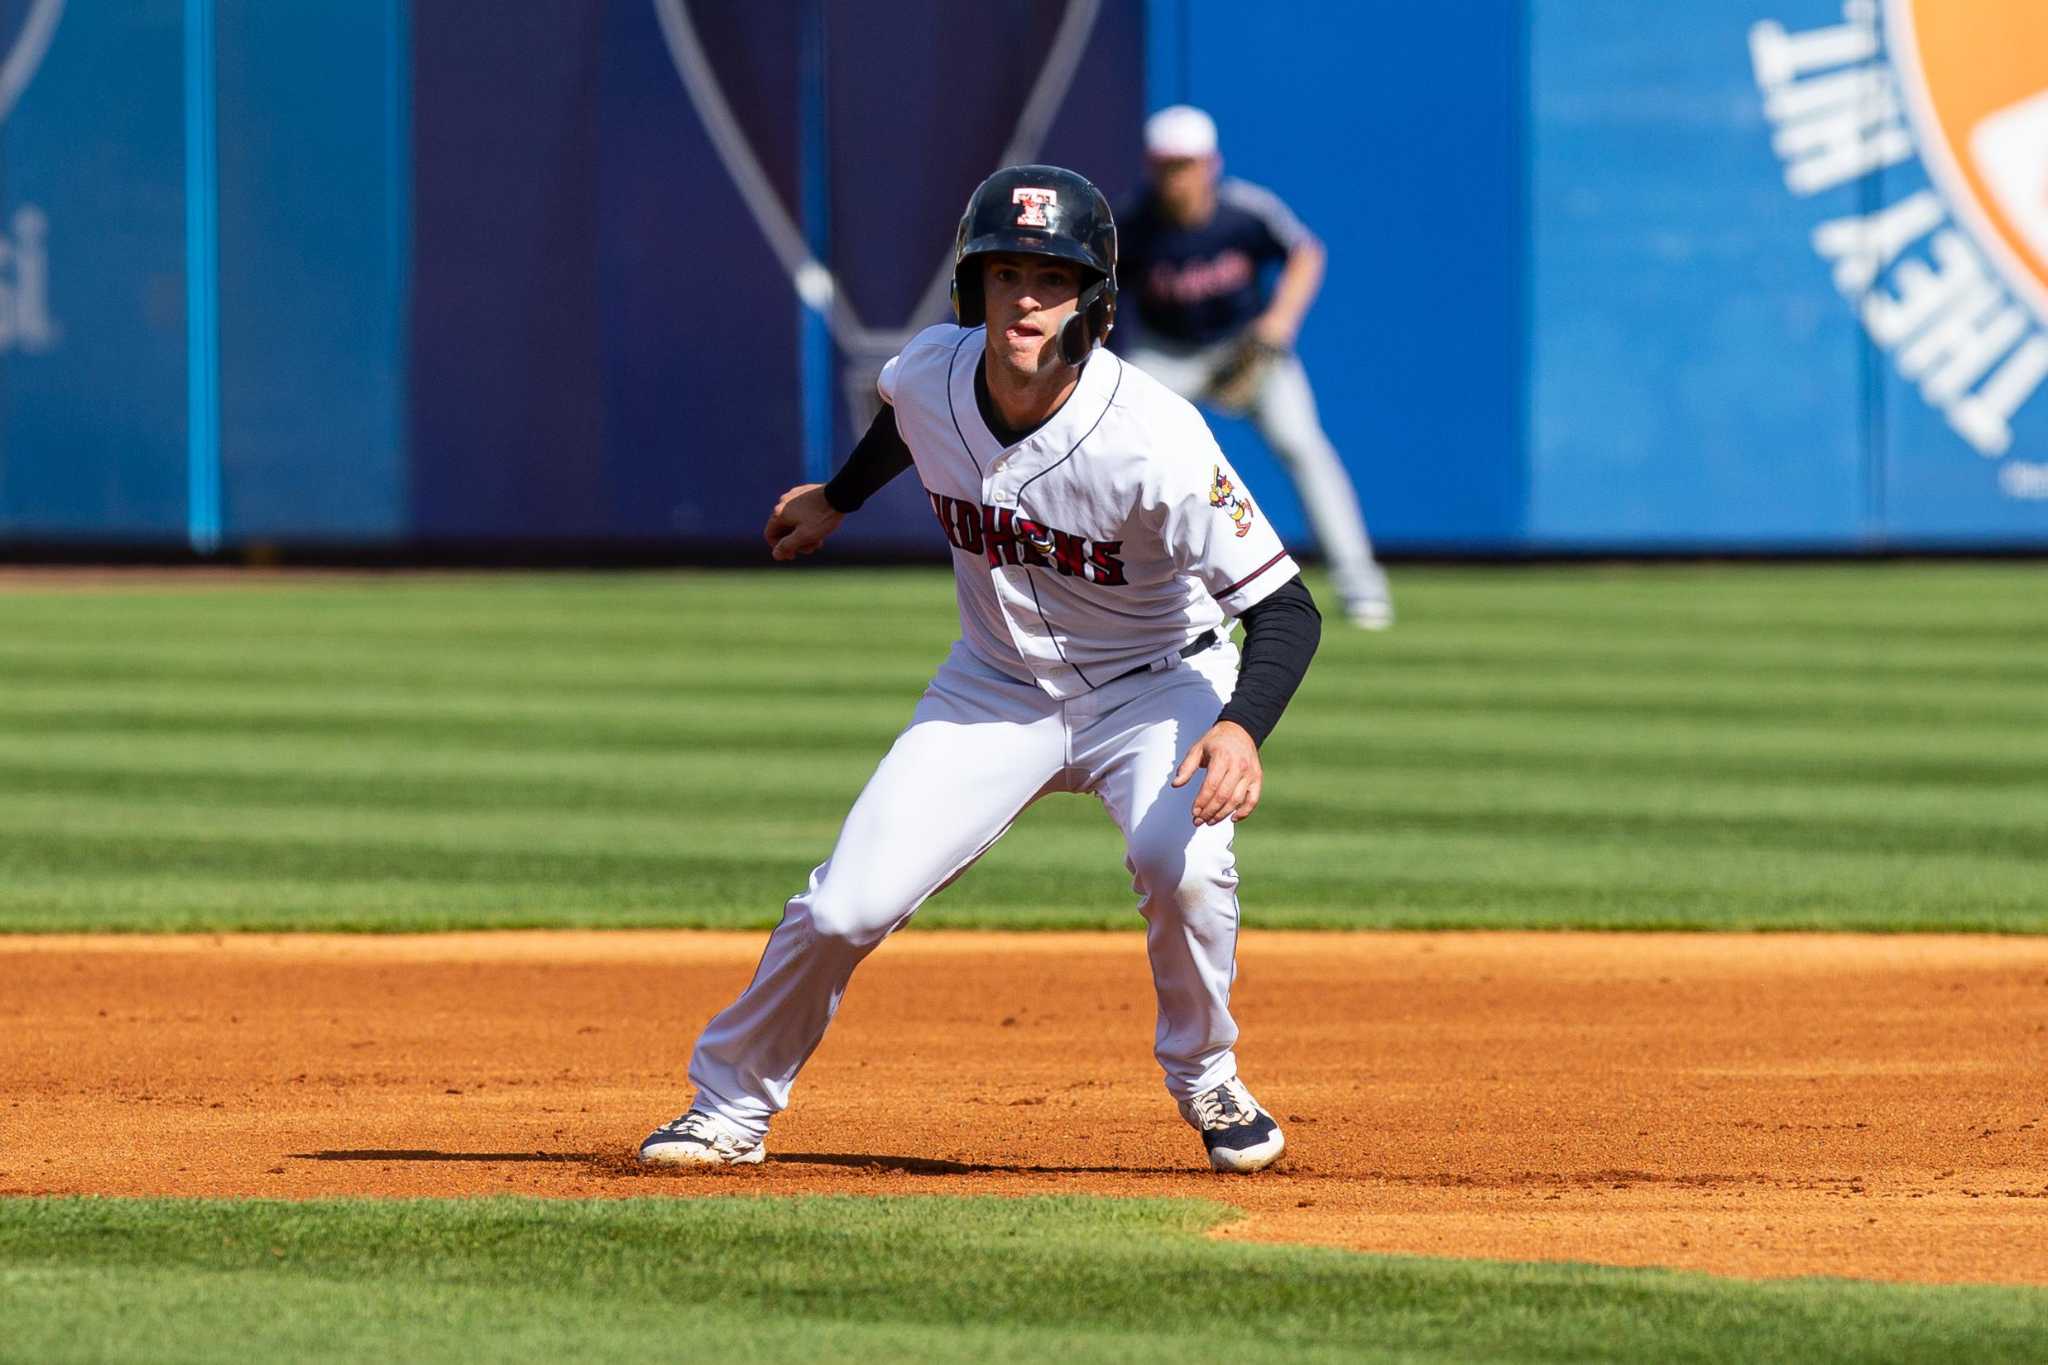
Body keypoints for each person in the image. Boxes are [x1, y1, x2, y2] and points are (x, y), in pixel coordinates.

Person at [640, 164, 1321, 1175]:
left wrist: (1237, 725)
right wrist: (836, 498)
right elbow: (907, 427)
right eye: (1005, 276)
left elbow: (1283, 607)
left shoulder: (1155, 439)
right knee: (842, 907)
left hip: (1154, 684)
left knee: (1178, 864)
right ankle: (727, 1107)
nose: (1025, 299)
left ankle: (1204, 1074)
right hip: (992, 690)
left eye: (1050, 278)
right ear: (974, 290)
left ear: (1091, 297)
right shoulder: (928, 371)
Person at [1115, 105, 1393, 629]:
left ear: (1211, 164)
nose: (1177, 176)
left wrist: (1279, 323)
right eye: (1167, 165)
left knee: (1301, 445)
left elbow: (1306, 252)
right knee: (1123, 450)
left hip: (1247, 346)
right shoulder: (1132, 222)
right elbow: (1101, 285)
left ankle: (1360, 582)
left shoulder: (1244, 211)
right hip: (1167, 352)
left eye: (1187, 164)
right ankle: (1118, 591)